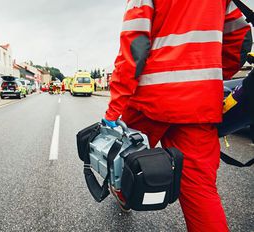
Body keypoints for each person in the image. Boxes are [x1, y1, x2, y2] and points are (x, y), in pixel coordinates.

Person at [103, 0, 252, 231]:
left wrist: (113, 111)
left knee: (125, 156)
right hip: (198, 107)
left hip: (148, 102)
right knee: (201, 192)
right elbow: (240, 40)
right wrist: (203, 79)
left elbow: (134, 49)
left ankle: (124, 193)